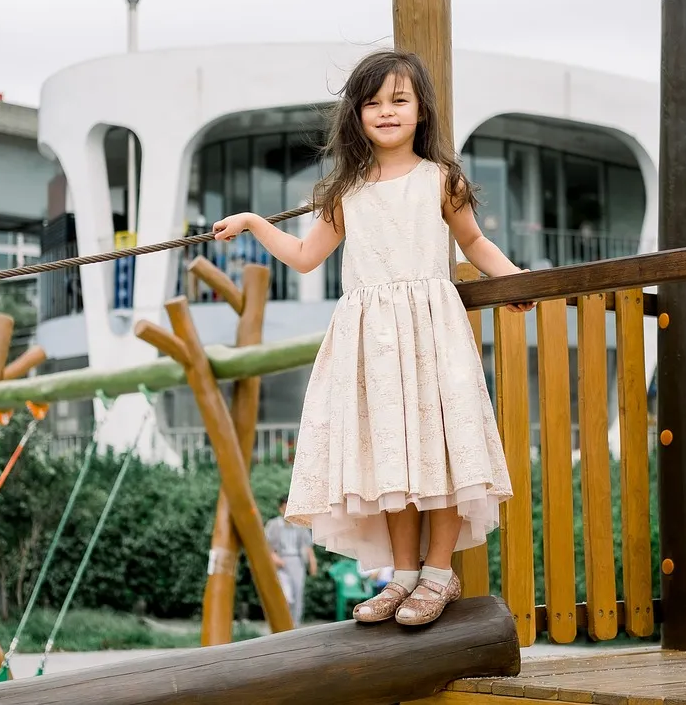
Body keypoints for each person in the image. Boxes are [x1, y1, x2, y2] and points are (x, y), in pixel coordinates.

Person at [212, 49, 532, 627]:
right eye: (373, 102)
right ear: (356, 115)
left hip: (431, 332)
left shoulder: (442, 180)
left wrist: (516, 279)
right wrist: (256, 223)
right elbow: (307, 258)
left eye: (399, 100)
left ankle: (438, 573)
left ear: (421, 112)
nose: (386, 112)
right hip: (374, 344)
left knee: (439, 452)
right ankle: (402, 576)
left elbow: (475, 245)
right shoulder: (345, 191)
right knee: (395, 461)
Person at [265, 494, 317, 624]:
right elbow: (265, 545)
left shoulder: (300, 525)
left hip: (297, 562)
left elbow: (307, 546)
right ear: (280, 509)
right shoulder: (273, 525)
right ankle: (282, 623)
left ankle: (295, 625)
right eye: (284, 508)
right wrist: (273, 557)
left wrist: (312, 562)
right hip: (280, 562)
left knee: (298, 593)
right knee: (285, 595)